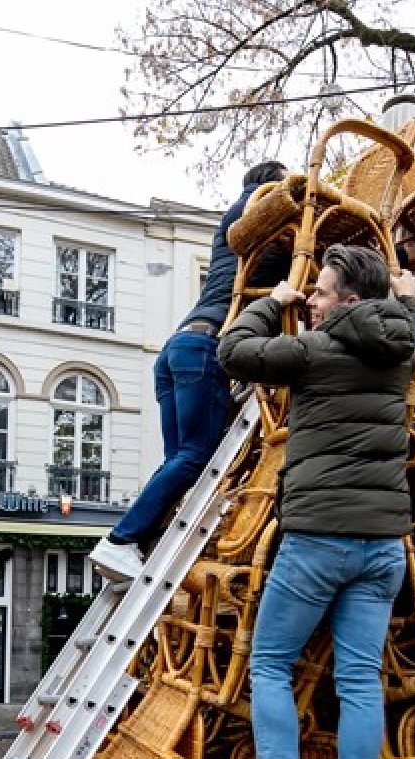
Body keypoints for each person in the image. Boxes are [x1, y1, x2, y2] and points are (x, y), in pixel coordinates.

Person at [219, 244, 415, 759]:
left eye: (321, 291)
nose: (310, 298)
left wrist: (270, 302)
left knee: (270, 664)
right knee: (361, 682)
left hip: (317, 541)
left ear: (350, 301)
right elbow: (409, 317)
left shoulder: (315, 349)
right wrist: (407, 296)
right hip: (384, 547)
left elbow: (232, 351)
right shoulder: (401, 348)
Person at [90, 159, 293, 582]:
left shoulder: (231, 226)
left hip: (178, 347)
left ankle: (139, 542)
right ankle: (121, 539)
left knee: (178, 460)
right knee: (195, 456)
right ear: (272, 187)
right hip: (205, 348)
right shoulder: (263, 214)